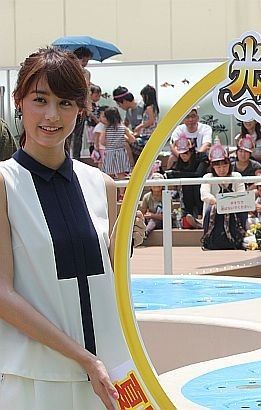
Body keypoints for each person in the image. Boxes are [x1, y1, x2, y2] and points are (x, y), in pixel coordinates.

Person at [0, 47, 133, 409]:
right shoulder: (4, 183)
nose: (51, 115)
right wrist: (83, 358)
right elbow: (2, 294)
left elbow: (111, 286)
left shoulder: (101, 185)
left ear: (81, 108)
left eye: (65, 103)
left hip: (109, 379)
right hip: (35, 380)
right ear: (19, 102)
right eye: (39, 100)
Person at [200, 142, 247, 250]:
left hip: (235, 208)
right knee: (209, 210)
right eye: (218, 166)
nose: (222, 170)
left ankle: (239, 239)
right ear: (213, 167)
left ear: (229, 165)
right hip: (214, 209)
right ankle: (210, 239)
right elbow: (204, 194)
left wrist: (229, 203)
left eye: (224, 166)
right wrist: (218, 202)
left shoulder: (236, 176)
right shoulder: (208, 177)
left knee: (243, 211)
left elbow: (241, 193)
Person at [139, 172, 165, 237]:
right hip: (149, 221)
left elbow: (167, 216)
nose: (156, 185)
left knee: (154, 220)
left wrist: (153, 215)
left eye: (159, 183)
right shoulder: (146, 197)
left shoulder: (166, 196)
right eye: (154, 183)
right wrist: (148, 216)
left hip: (163, 222)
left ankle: (145, 233)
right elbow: (142, 213)